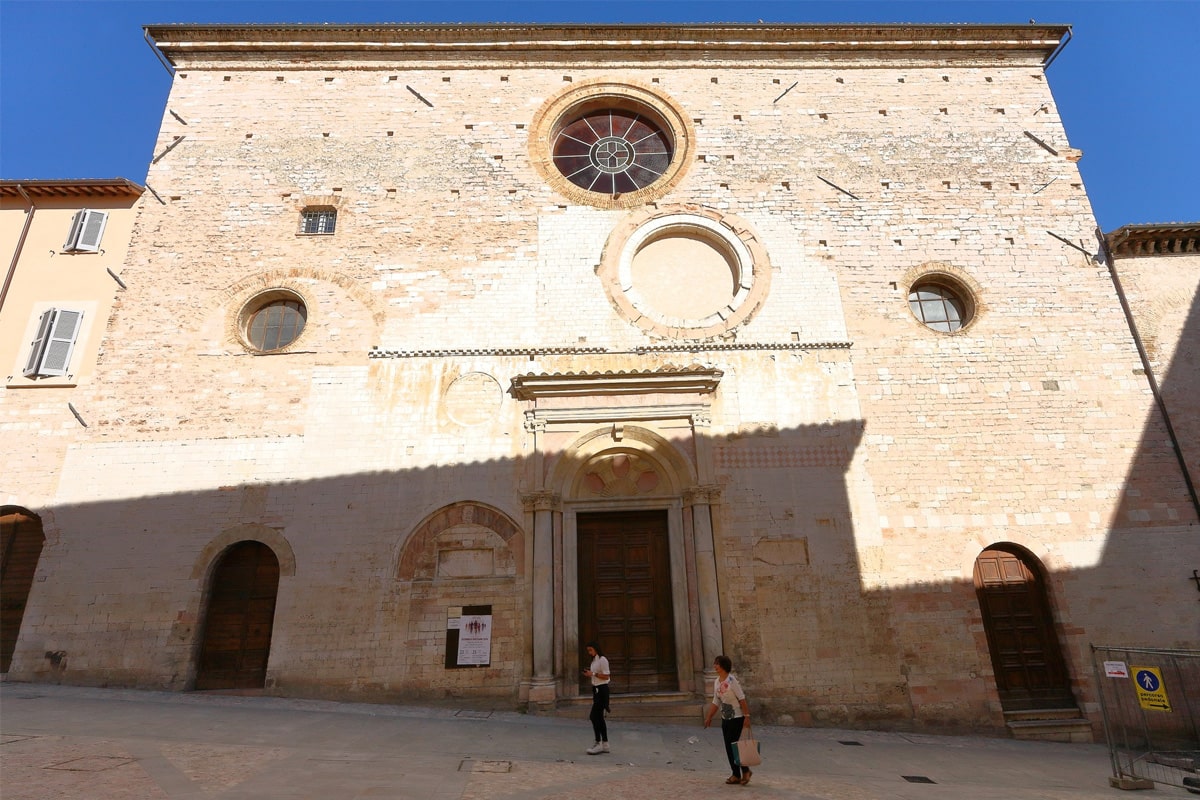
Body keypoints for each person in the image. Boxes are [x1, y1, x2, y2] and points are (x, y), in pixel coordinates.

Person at [703, 654, 753, 785]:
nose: (715, 666)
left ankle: (746, 771)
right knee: (729, 747)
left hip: (736, 718)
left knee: (736, 747)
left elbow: (741, 698)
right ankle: (735, 774)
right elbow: (716, 701)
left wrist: (747, 717)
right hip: (726, 718)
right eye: (714, 663)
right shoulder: (716, 682)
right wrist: (709, 717)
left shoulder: (732, 681)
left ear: (723, 666)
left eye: (717, 664)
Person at [582, 641, 611, 754]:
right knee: (599, 717)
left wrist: (592, 674)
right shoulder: (594, 661)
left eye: (590, 650)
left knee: (594, 716)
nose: (589, 652)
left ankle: (598, 742)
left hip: (602, 690)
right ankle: (605, 743)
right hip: (596, 690)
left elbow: (606, 676)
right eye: (588, 650)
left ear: (595, 649)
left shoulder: (602, 660)